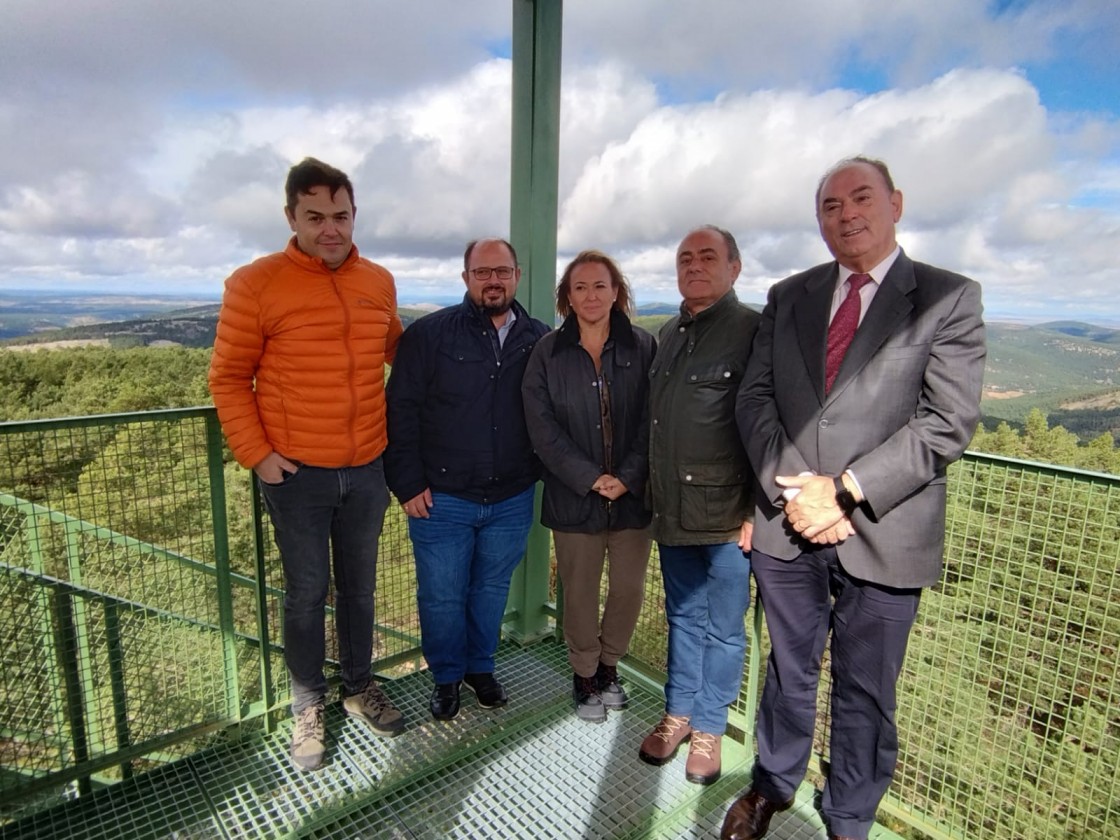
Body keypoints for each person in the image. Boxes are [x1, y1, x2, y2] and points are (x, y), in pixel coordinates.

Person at [724, 157, 986, 840]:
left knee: (867, 689)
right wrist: (797, 488)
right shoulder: (790, 295)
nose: (846, 215)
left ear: (895, 203)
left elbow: (946, 421)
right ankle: (773, 786)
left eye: (860, 198)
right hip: (788, 523)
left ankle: (847, 818)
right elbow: (754, 398)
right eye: (830, 205)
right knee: (788, 666)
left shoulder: (947, 297)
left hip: (885, 527)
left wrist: (843, 491)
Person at [209, 157, 406, 772]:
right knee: (305, 594)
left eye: (341, 215)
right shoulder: (256, 282)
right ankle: (306, 705)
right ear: (291, 216)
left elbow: (398, 351)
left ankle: (358, 686)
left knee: (360, 588)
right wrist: (258, 456)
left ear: (354, 216)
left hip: (368, 466)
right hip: (296, 475)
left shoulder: (377, 280)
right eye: (315, 216)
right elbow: (228, 377)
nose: (330, 229)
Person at [384, 237, 549, 722]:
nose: (493, 280)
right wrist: (407, 483)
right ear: (466, 279)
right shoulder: (429, 335)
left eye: (502, 271)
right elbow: (401, 411)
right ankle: (445, 677)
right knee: (441, 594)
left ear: (517, 275)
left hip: (512, 495)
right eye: (482, 273)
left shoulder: (538, 338)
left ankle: (481, 669)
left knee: (491, 590)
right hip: (442, 497)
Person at [638, 226, 760, 785]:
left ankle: (710, 726)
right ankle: (678, 714)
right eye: (685, 258)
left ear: (734, 267)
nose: (694, 265)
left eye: (707, 257)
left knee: (725, 629)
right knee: (682, 618)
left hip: (730, 518)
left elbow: (770, 426)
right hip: (673, 510)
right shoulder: (668, 333)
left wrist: (760, 510)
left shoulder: (753, 331)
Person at [521, 250, 656, 723]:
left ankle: (609, 666)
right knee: (578, 590)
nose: (591, 295)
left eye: (600, 286)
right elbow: (540, 427)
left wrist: (629, 476)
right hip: (573, 495)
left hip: (632, 498)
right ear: (567, 299)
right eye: (580, 288)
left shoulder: (642, 347)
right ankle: (583, 673)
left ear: (616, 292)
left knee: (628, 588)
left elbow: (651, 421)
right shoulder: (548, 353)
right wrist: (588, 477)